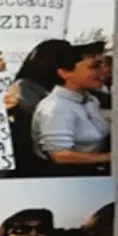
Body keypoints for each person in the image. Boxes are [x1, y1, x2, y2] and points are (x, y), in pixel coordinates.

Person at [32, 41, 110, 175]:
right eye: (94, 67)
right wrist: (110, 157)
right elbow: (59, 155)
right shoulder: (56, 107)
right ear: (64, 73)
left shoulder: (90, 100)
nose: (102, 71)